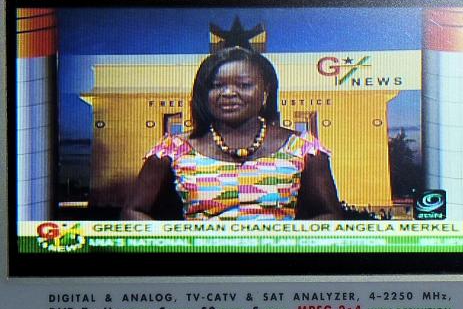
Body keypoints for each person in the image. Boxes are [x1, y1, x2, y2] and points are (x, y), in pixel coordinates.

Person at [122, 46, 345, 220]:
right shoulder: (173, 149)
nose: (228, 93)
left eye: (244, 85)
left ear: (266, 91)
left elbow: (330, 215)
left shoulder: (303, 148)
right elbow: (132, 212)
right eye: (216, 86)